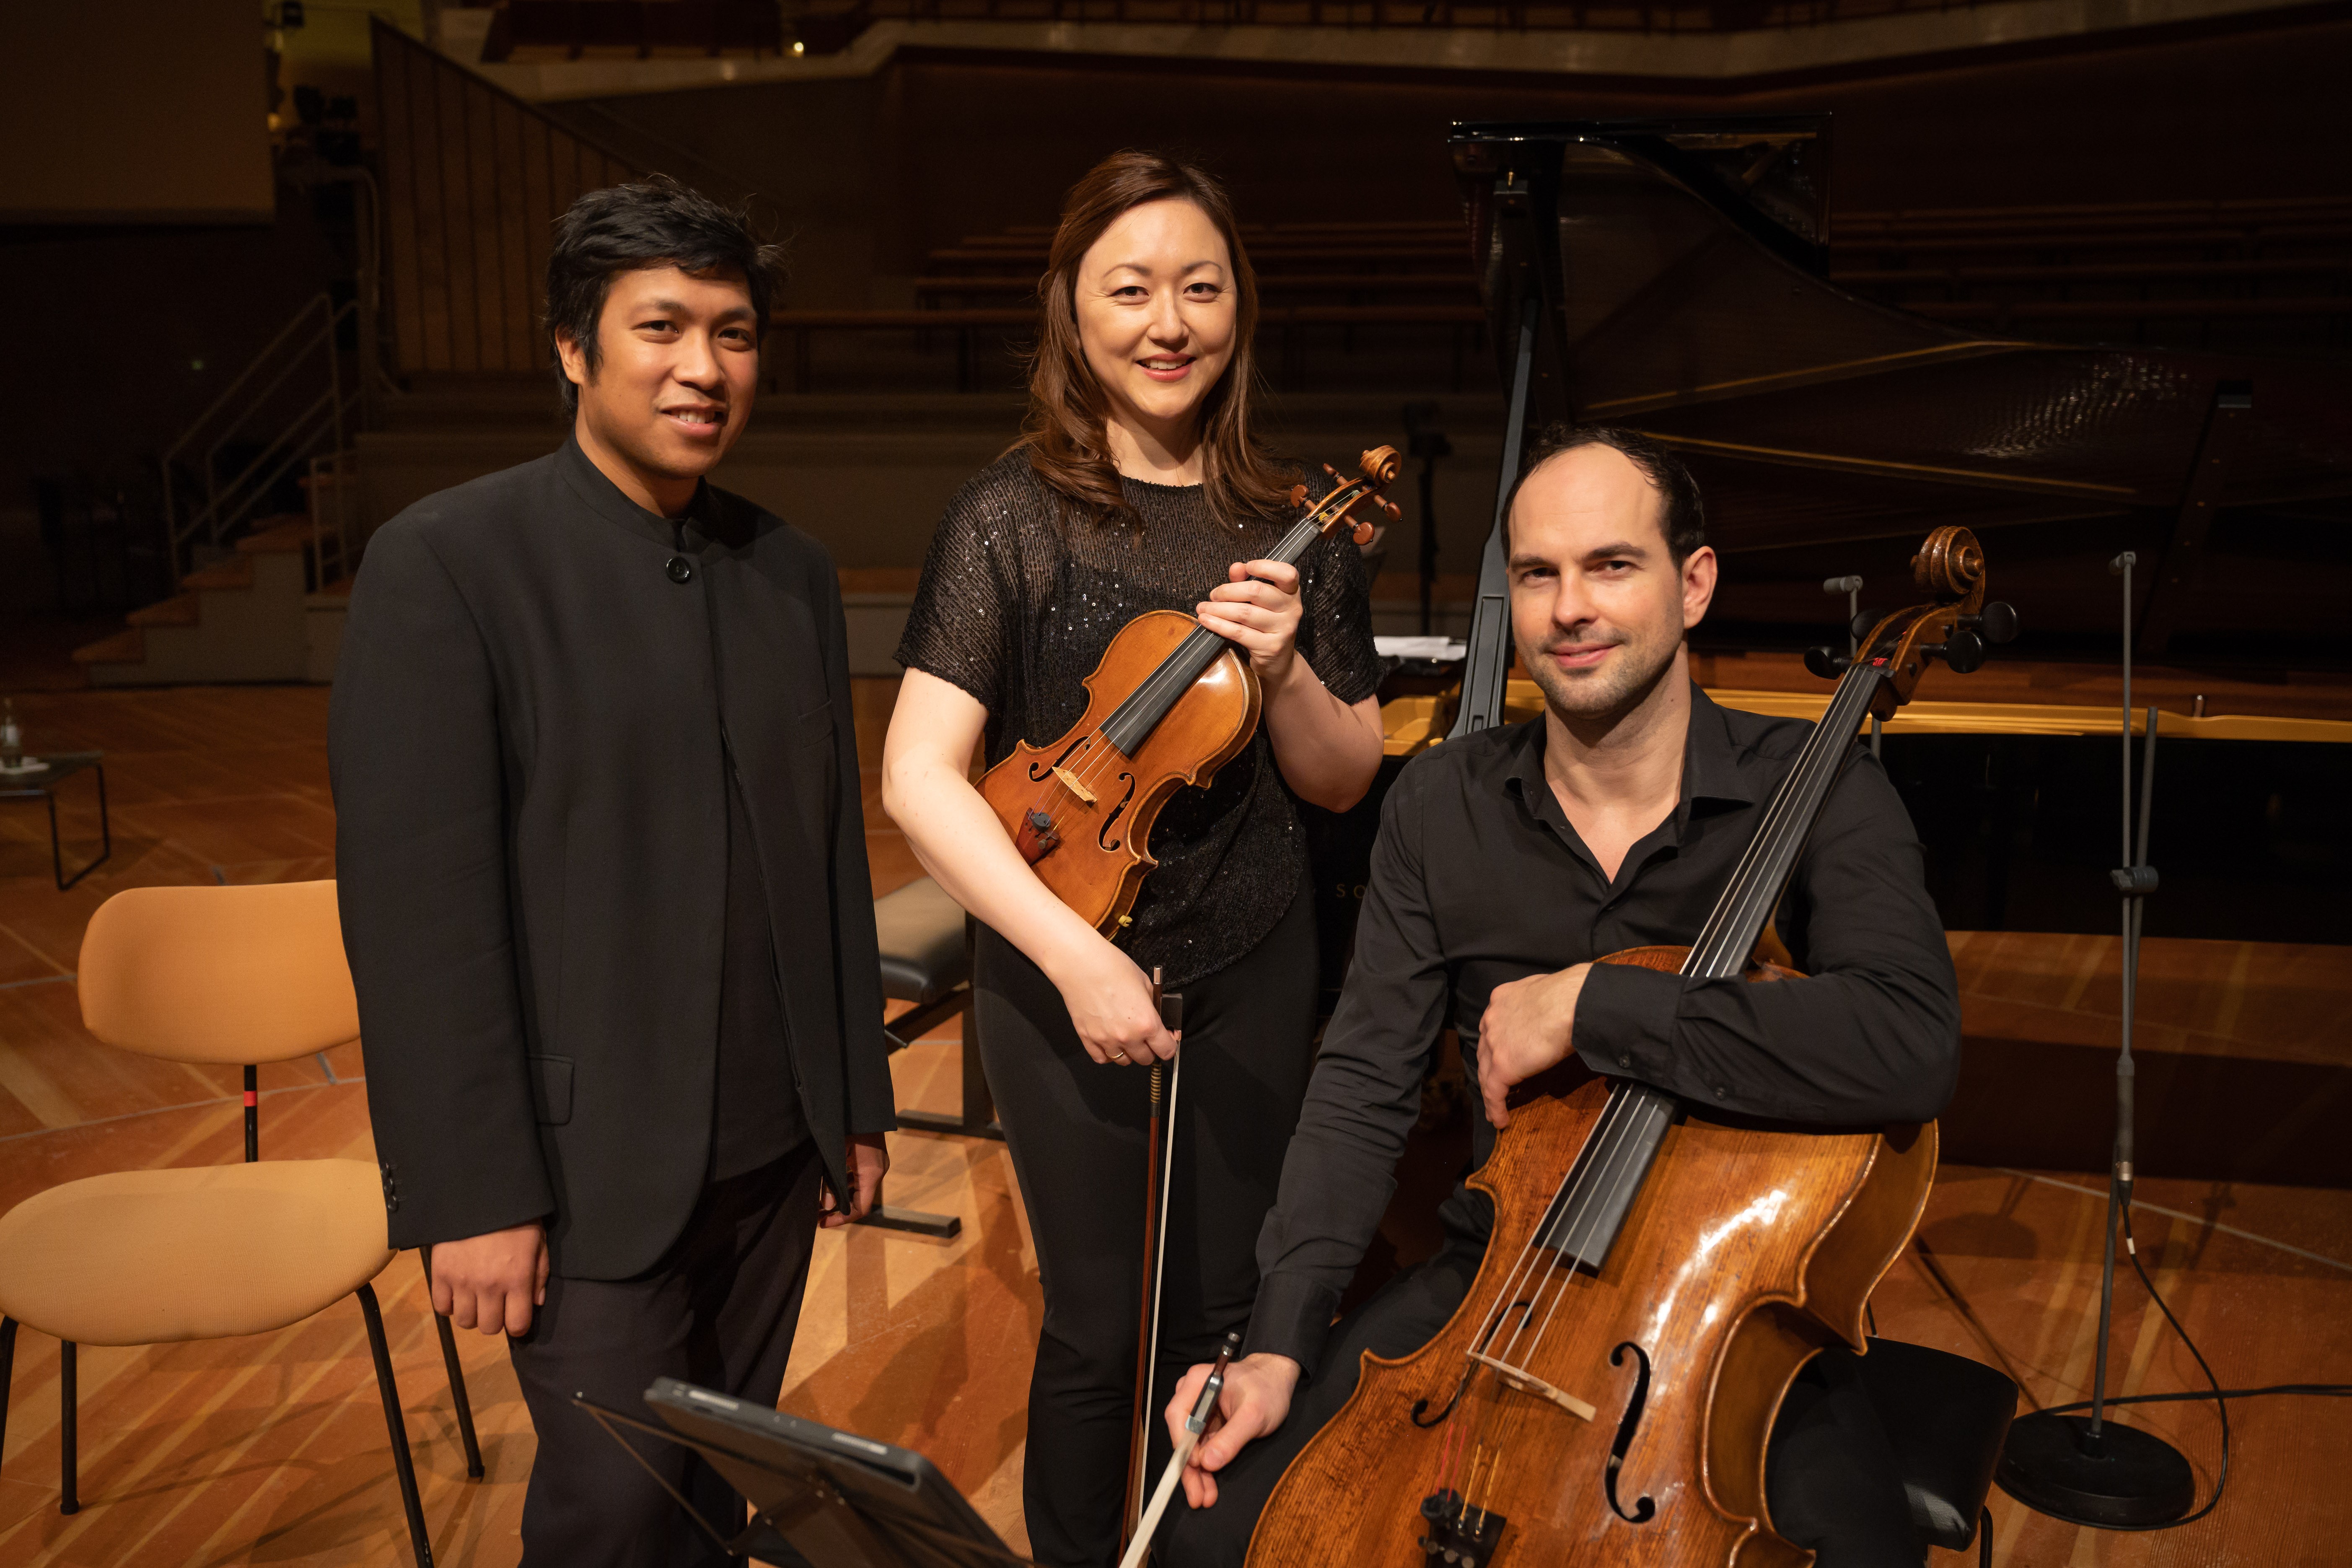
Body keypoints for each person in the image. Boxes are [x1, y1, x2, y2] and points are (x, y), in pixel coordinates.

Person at [1157, 425, 1963, 1567]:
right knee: (1214, 1543)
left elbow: (1907, 1040)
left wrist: (1595, 1005)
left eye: (1610, 566)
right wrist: (1278, 1342)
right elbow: (1359, 1087)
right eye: (1536, 574)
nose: (1568, 607)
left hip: (1723, 1314)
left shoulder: (1821, 785)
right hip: (1490, 1277)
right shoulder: (1440, 804)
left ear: (1693, 585)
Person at [331, 176, 896, 1568]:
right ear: (574, 350)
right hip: (578, 1171)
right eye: (661, 327)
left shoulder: (790, 570)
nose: (703, 368)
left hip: (772, 1155)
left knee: (715, 1510)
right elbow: (420, 917)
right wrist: (470, 1193)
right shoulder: (449, 562)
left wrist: (853, 1103)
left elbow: (826, 865)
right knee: (610, 1517)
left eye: (735, 332)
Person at [881, 150, 1386, 1566]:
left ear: (1239, 309)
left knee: (1225, 1313)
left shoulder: (1295, 529)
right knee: (1101, 1330)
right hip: (1062, 965)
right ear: (1073, 313)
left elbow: (1341, 781)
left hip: (1256, 951)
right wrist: (1075, 957)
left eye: (1199, 287)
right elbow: (919, 778)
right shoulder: (1010, 517)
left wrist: (1287, 664)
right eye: (1130, 288)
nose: (1168, 322)